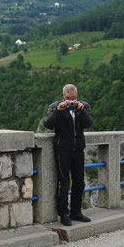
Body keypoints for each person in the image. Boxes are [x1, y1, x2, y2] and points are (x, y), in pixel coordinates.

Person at [42, 84, 93, 226]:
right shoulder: (55, 106)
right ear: (63, 96)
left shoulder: (84, 106)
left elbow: (88, 123)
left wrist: (82, 111)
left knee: (79, 181)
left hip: (78, 149)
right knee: (64, 181)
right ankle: (63, 213)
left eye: (73, 98)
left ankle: (76, 212)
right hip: (62, 149)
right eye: (68, 98)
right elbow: (48, 124)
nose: (71, 101)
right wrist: (58, 110)